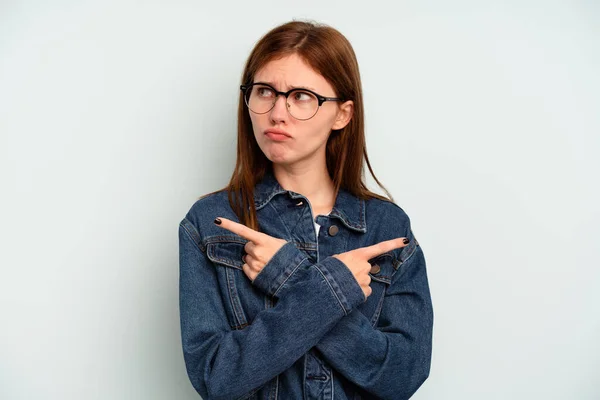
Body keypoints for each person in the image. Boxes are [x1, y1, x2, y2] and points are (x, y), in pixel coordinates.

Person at [178, 20, 433, 400]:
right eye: (264, 91)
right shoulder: (209, 223)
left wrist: (290, 276)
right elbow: (217, 379)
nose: (277, 113)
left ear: (342, 114)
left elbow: (401, 376)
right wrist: (328, 293)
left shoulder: (387, 226)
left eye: (300, 96)